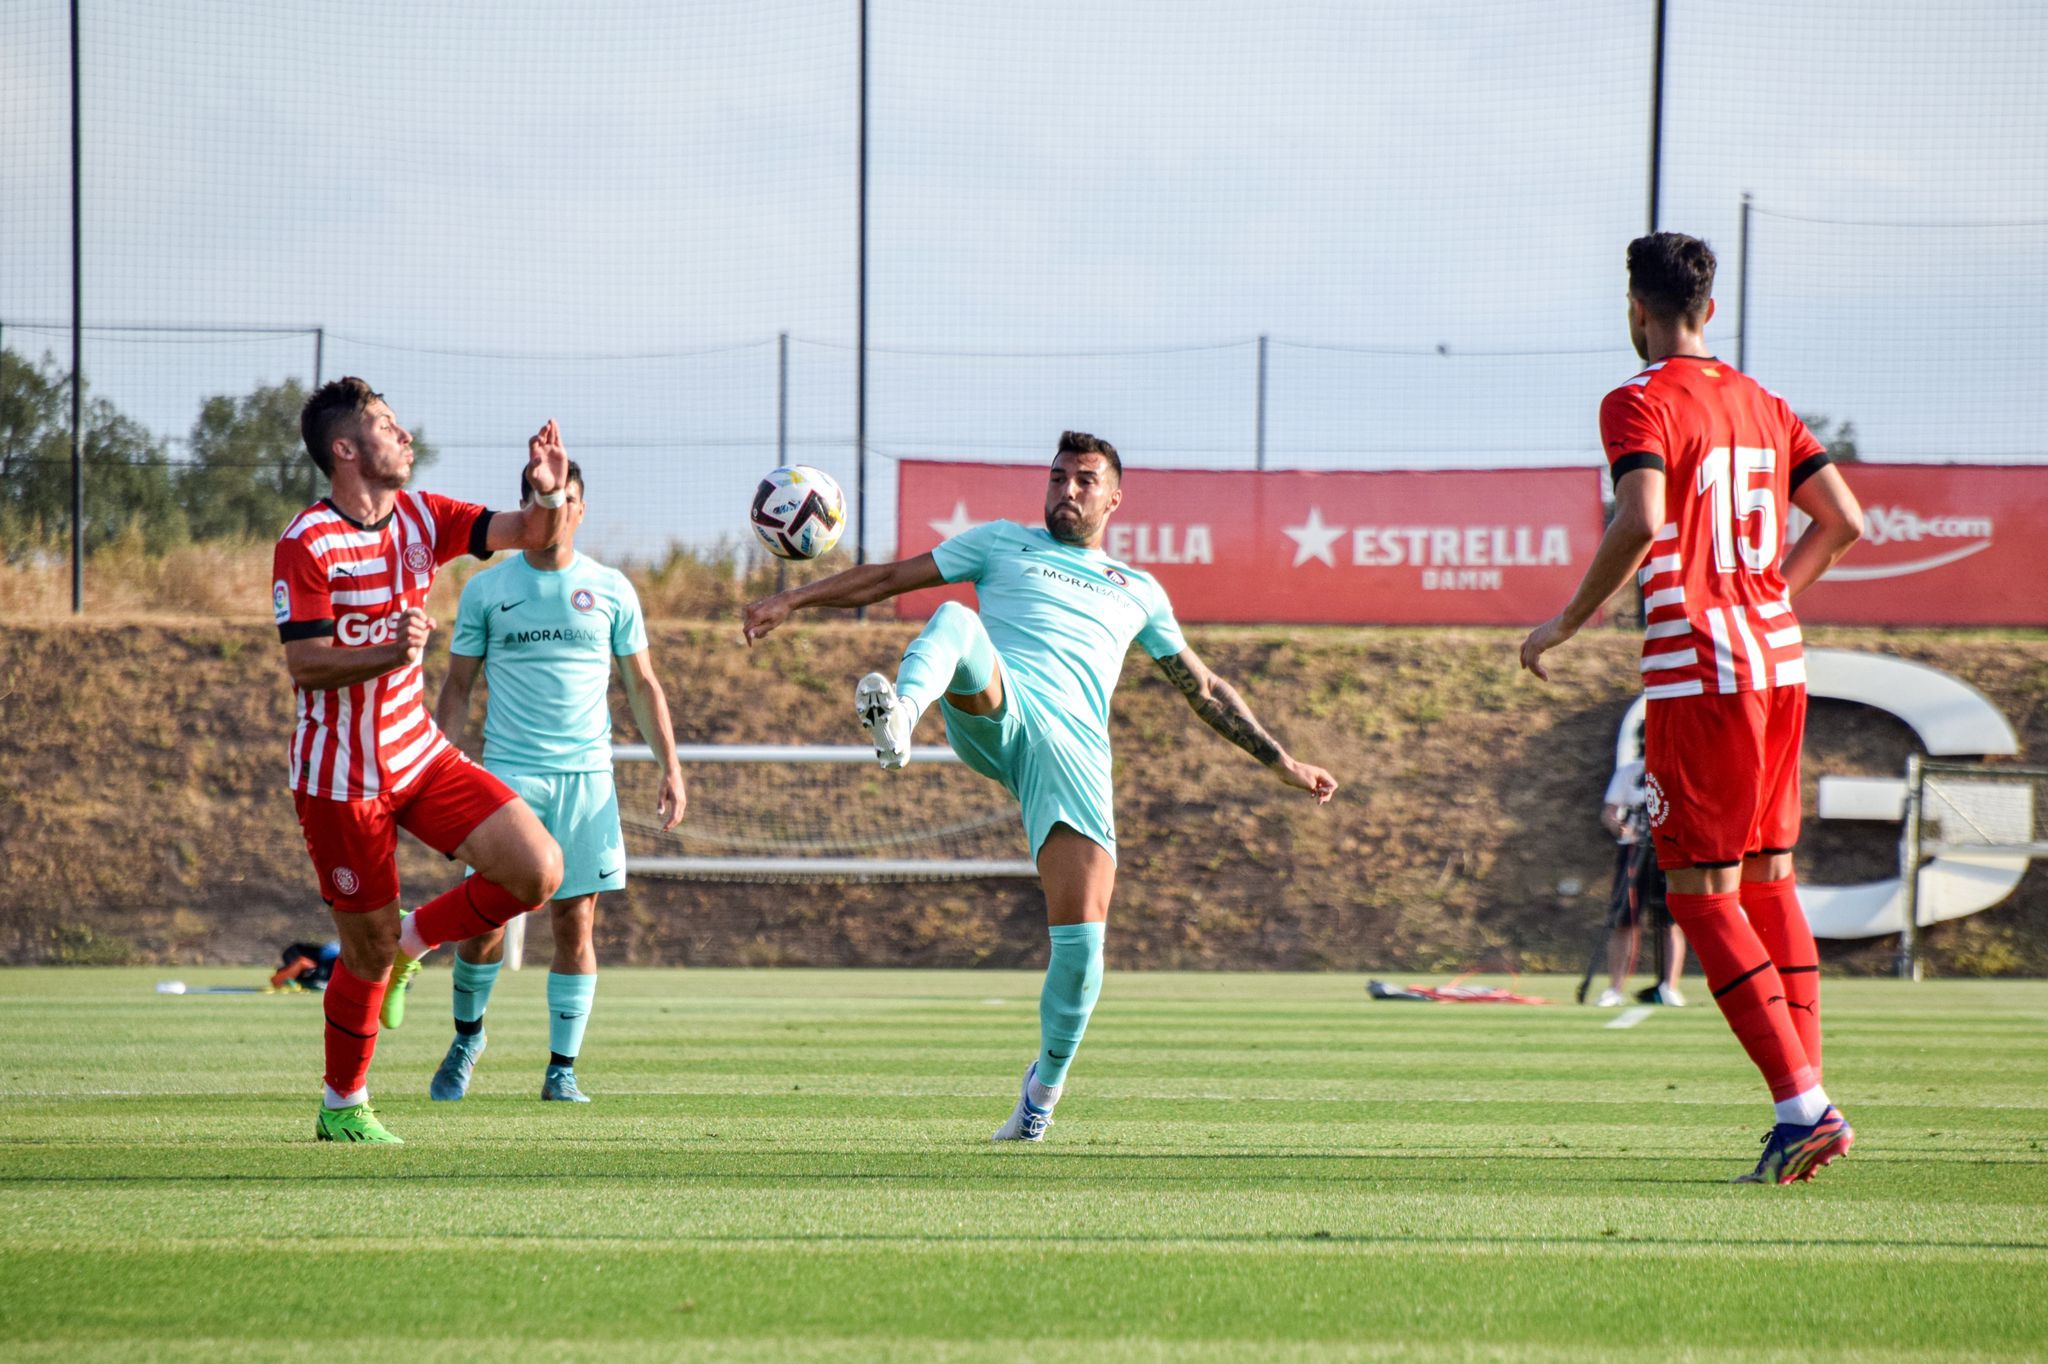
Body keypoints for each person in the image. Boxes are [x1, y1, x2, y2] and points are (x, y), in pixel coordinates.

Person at [741, 432, 1339, 1142]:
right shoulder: (1000, 542)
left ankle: (1040, 1097)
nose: (1068, 490)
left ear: (1114, 498)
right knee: (957, 619)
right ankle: (900, 717)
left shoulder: (1139, 592)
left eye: (1085, 480)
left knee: (1083, 945)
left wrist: (1284, 764)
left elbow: (1203, 688)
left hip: (1072, 753)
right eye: (1058, 478)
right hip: (998, 705)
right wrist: (795, 599)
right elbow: (890, 578)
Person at [1519, 233, 1864, 1184]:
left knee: (1699, 897)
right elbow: (1844, 520)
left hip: (1700, 673)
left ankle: (1804, 1109)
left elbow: (1640, 517)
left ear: (1637, 310)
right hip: (1779, 665)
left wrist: (1565, 622)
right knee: (1769, 885)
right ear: (1709, 310)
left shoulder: (1637, 400)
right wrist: (1769, 596)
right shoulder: (1766, 403)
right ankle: (1806, 1101)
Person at [274, 376, 572, 1145]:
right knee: (365, 950)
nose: (404, 435)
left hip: (419, 755)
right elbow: (305, 663)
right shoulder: (307, 542)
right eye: (386, 424)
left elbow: (532, 534)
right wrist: (389, 650)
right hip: (340, 778)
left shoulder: (422, 515)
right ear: (346, 449)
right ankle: (343, 1106)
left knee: (538, 869)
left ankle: (417, 939)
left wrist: (547, 492)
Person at [428, 460, 687, 1103]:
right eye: (546, 500)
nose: (559, 511)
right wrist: (435, 773)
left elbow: (642, 684)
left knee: (576, 923)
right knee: (485, 923)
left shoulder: (612, 588)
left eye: (569, 500)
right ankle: (466, 1039)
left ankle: (561, 1070)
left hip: (587, 781)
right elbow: (457, 687)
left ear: (581, 509)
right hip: (509, 778)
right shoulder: (487, 590)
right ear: (526, 508)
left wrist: (671, 766)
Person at [1592, 753, 1687, 1008]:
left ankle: (1669, 987)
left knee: (1669, 922)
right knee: (1624, 920)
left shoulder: (1677, 768)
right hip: (1633, 850)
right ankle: (1615, 988)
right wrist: (1619, 827)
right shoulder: (1630, 771)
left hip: (1668, 850)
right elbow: (1610, 812)